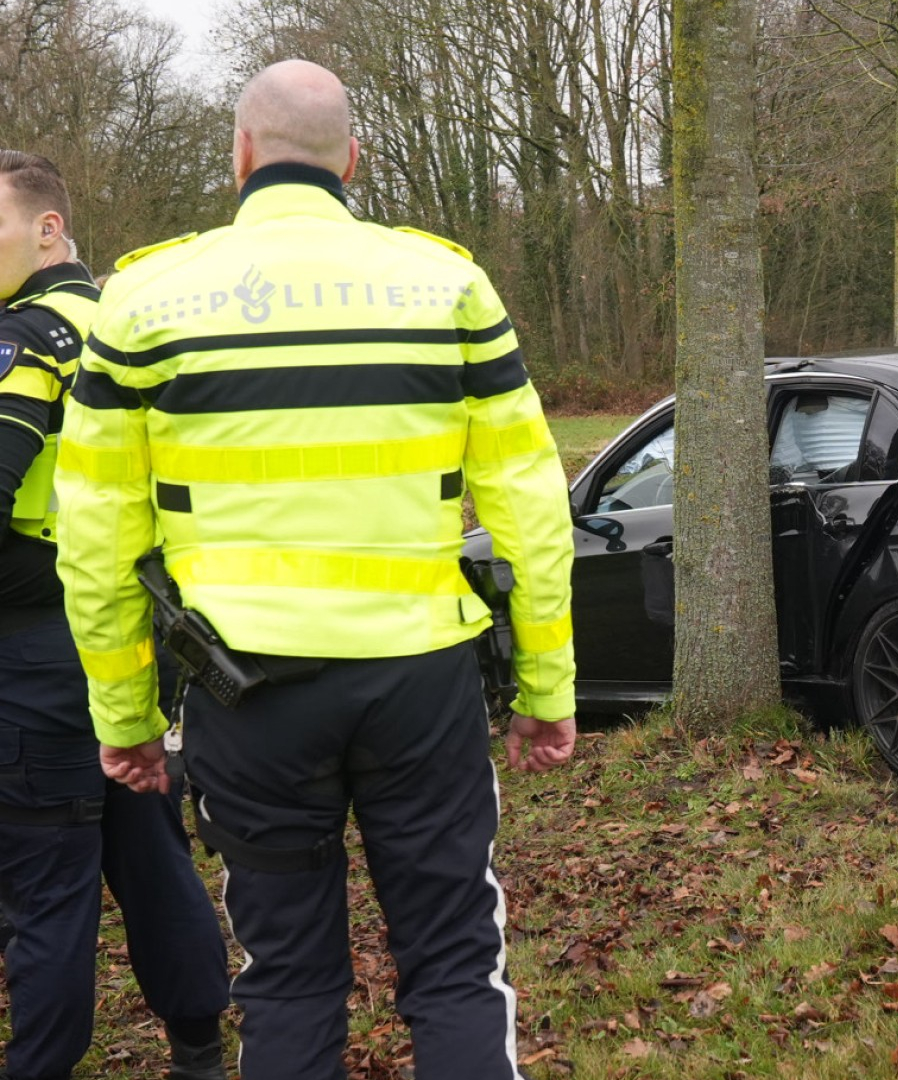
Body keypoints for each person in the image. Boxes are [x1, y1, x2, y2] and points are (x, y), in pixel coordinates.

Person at [54, 61, 578, 1078]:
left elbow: (97, 538)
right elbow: (530, 507)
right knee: (457, 966)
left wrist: (123, 719)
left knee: (289, 975)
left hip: (247, 691)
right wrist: (549, 687)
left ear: (240, 156)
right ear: (354, 160)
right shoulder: (450, 286)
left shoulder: (143, 299)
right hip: (421, 683)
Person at [0, 151, 230, 1080]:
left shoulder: (31, 335)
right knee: (146, 847)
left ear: (47, 228)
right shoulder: (133, 325)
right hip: (137, 632)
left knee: (47, 883)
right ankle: (200, 1047)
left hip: (39, 647)